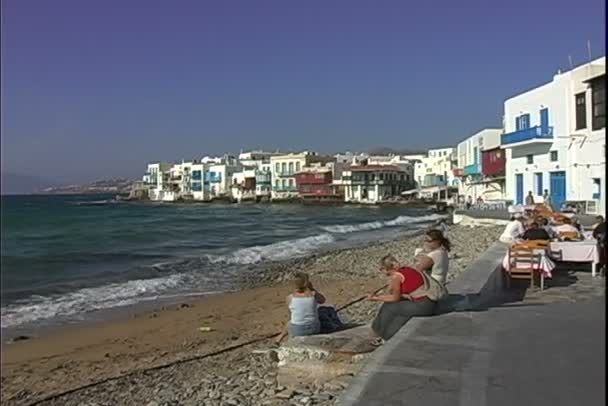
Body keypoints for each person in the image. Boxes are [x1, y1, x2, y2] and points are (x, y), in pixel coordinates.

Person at [367, 255, 436, 344]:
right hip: (429, 302)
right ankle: (384, 334)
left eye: (382, 269)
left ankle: (378, 332)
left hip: (422, 305)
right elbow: (391, 292)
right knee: (400, 315)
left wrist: (375, 298)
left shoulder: (397, 277)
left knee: (389, 306)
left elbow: (394, 298)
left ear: (385, 268)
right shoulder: (407, 269)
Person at [275, 272, 326, 344]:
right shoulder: (313, 294)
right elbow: (323, 300)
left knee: (290, 321)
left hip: (298, 330)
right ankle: (280, 336)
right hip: (314, 329)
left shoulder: (290, 298)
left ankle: (280, 337)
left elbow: (291, 316)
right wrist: (312, 289)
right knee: (321, 312)